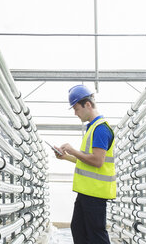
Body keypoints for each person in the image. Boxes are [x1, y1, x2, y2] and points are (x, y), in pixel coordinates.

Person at [53, 85, 116, 244]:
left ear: (87, 104)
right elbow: (86, 160)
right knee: (78, 229)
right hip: (87, 192)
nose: (75, 113)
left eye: (76, 108)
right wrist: (66, 157)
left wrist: (73, 151)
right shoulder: (92, 128)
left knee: (96, 234)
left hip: (95, 193)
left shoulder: (100, 129)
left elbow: (97, 161)